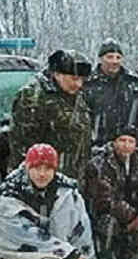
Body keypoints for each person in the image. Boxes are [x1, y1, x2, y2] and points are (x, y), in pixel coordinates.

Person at [0, 144, 96, 259]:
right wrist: (68, 254)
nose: (42, 174)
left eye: (47, 168)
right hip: (21, 255)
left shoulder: (68, 192)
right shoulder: (9, 195)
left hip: (61, 256)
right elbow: (22, 236)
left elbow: (81, 228)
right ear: (28, 167)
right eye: (37, 168)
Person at [9, 49, 93, 181]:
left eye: (82, 80)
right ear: (57, 74)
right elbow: (23, 148)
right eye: (74, 79)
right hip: (43, 180)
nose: (79, 84)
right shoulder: (33, 97)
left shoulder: (76, 95)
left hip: (72, 179)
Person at [83, 126, 138, 259]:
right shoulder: (98, 164)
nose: (126, 145)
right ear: (114, 142)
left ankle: (124, 244)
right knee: (107, 223)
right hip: (106, 214)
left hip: (134, 214)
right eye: (122, 140)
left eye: (131, 141)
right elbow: (105, 199)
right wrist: (133, 217)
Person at [84, 38, 138, 148]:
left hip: (127, 146)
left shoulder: (134, 83)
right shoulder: (88, 84)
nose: (114, 61)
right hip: (96, 145)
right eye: (110, 57)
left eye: (118, 57)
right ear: (101, 59)